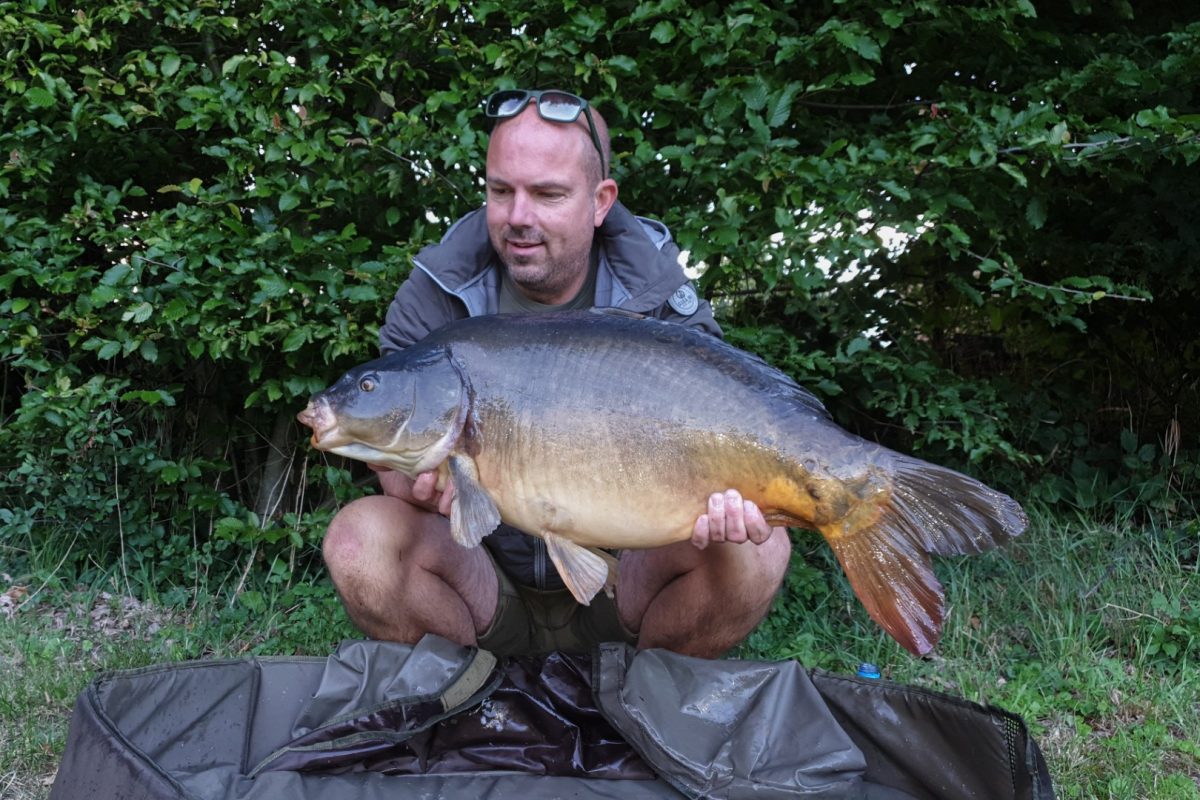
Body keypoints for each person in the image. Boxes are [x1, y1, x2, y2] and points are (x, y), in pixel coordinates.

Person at [322, 89, 792, 659]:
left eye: (547, 194)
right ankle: (470, 691)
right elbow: (401, 467)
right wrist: (415, 483)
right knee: (357, 542)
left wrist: (731, 506)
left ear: (600, 201)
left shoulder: (660, 296)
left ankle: (643, 693)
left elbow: (727, 423)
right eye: (501, 191)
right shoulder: (434, 295)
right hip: (485, 582)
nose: (518, 217)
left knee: (759, 553)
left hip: (625, 583)